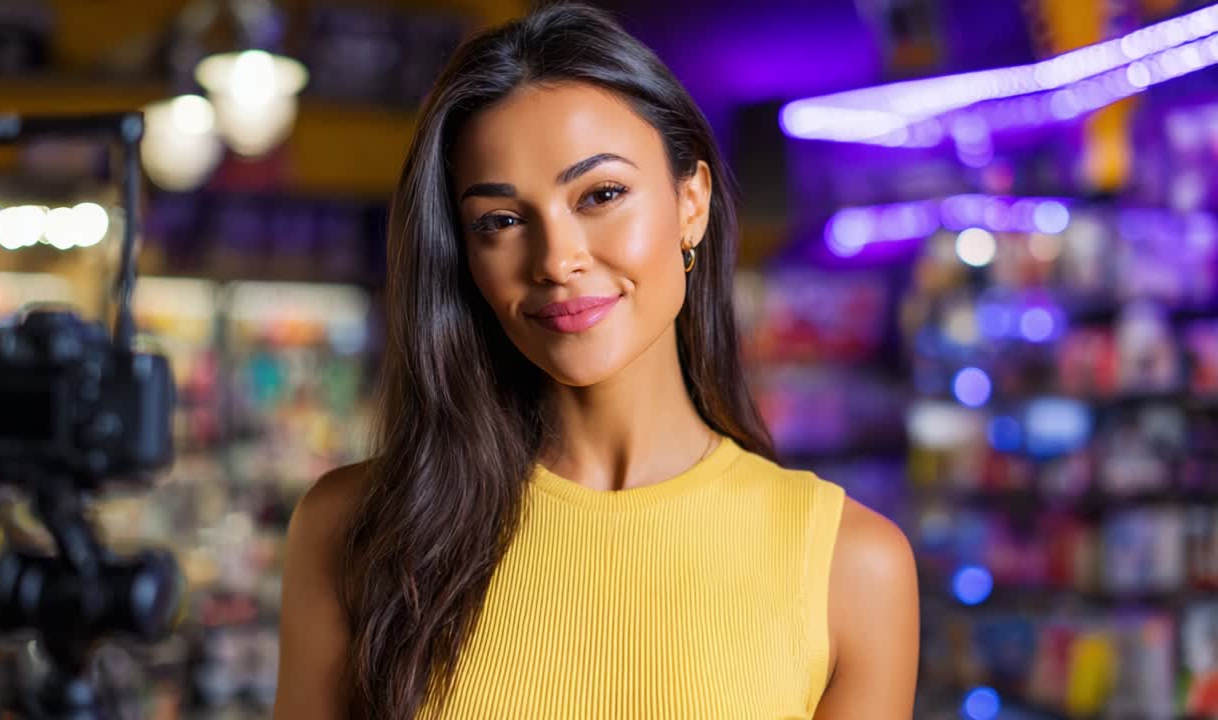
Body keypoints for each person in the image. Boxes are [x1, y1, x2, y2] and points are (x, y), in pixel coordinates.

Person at [274, 3, 919, 718]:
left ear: (691, 203)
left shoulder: (851, 568)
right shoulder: (352, 530)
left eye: (602, 194)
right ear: (465, 256)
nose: (557, 260)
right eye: (501, 221)